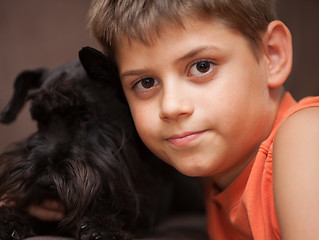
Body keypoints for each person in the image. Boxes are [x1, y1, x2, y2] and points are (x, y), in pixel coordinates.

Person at [28, 0, 319, 239]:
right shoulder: (218, 173)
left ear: (273, 55)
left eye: (201, 66)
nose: (170, 106)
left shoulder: (305, 135)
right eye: (145, 83)